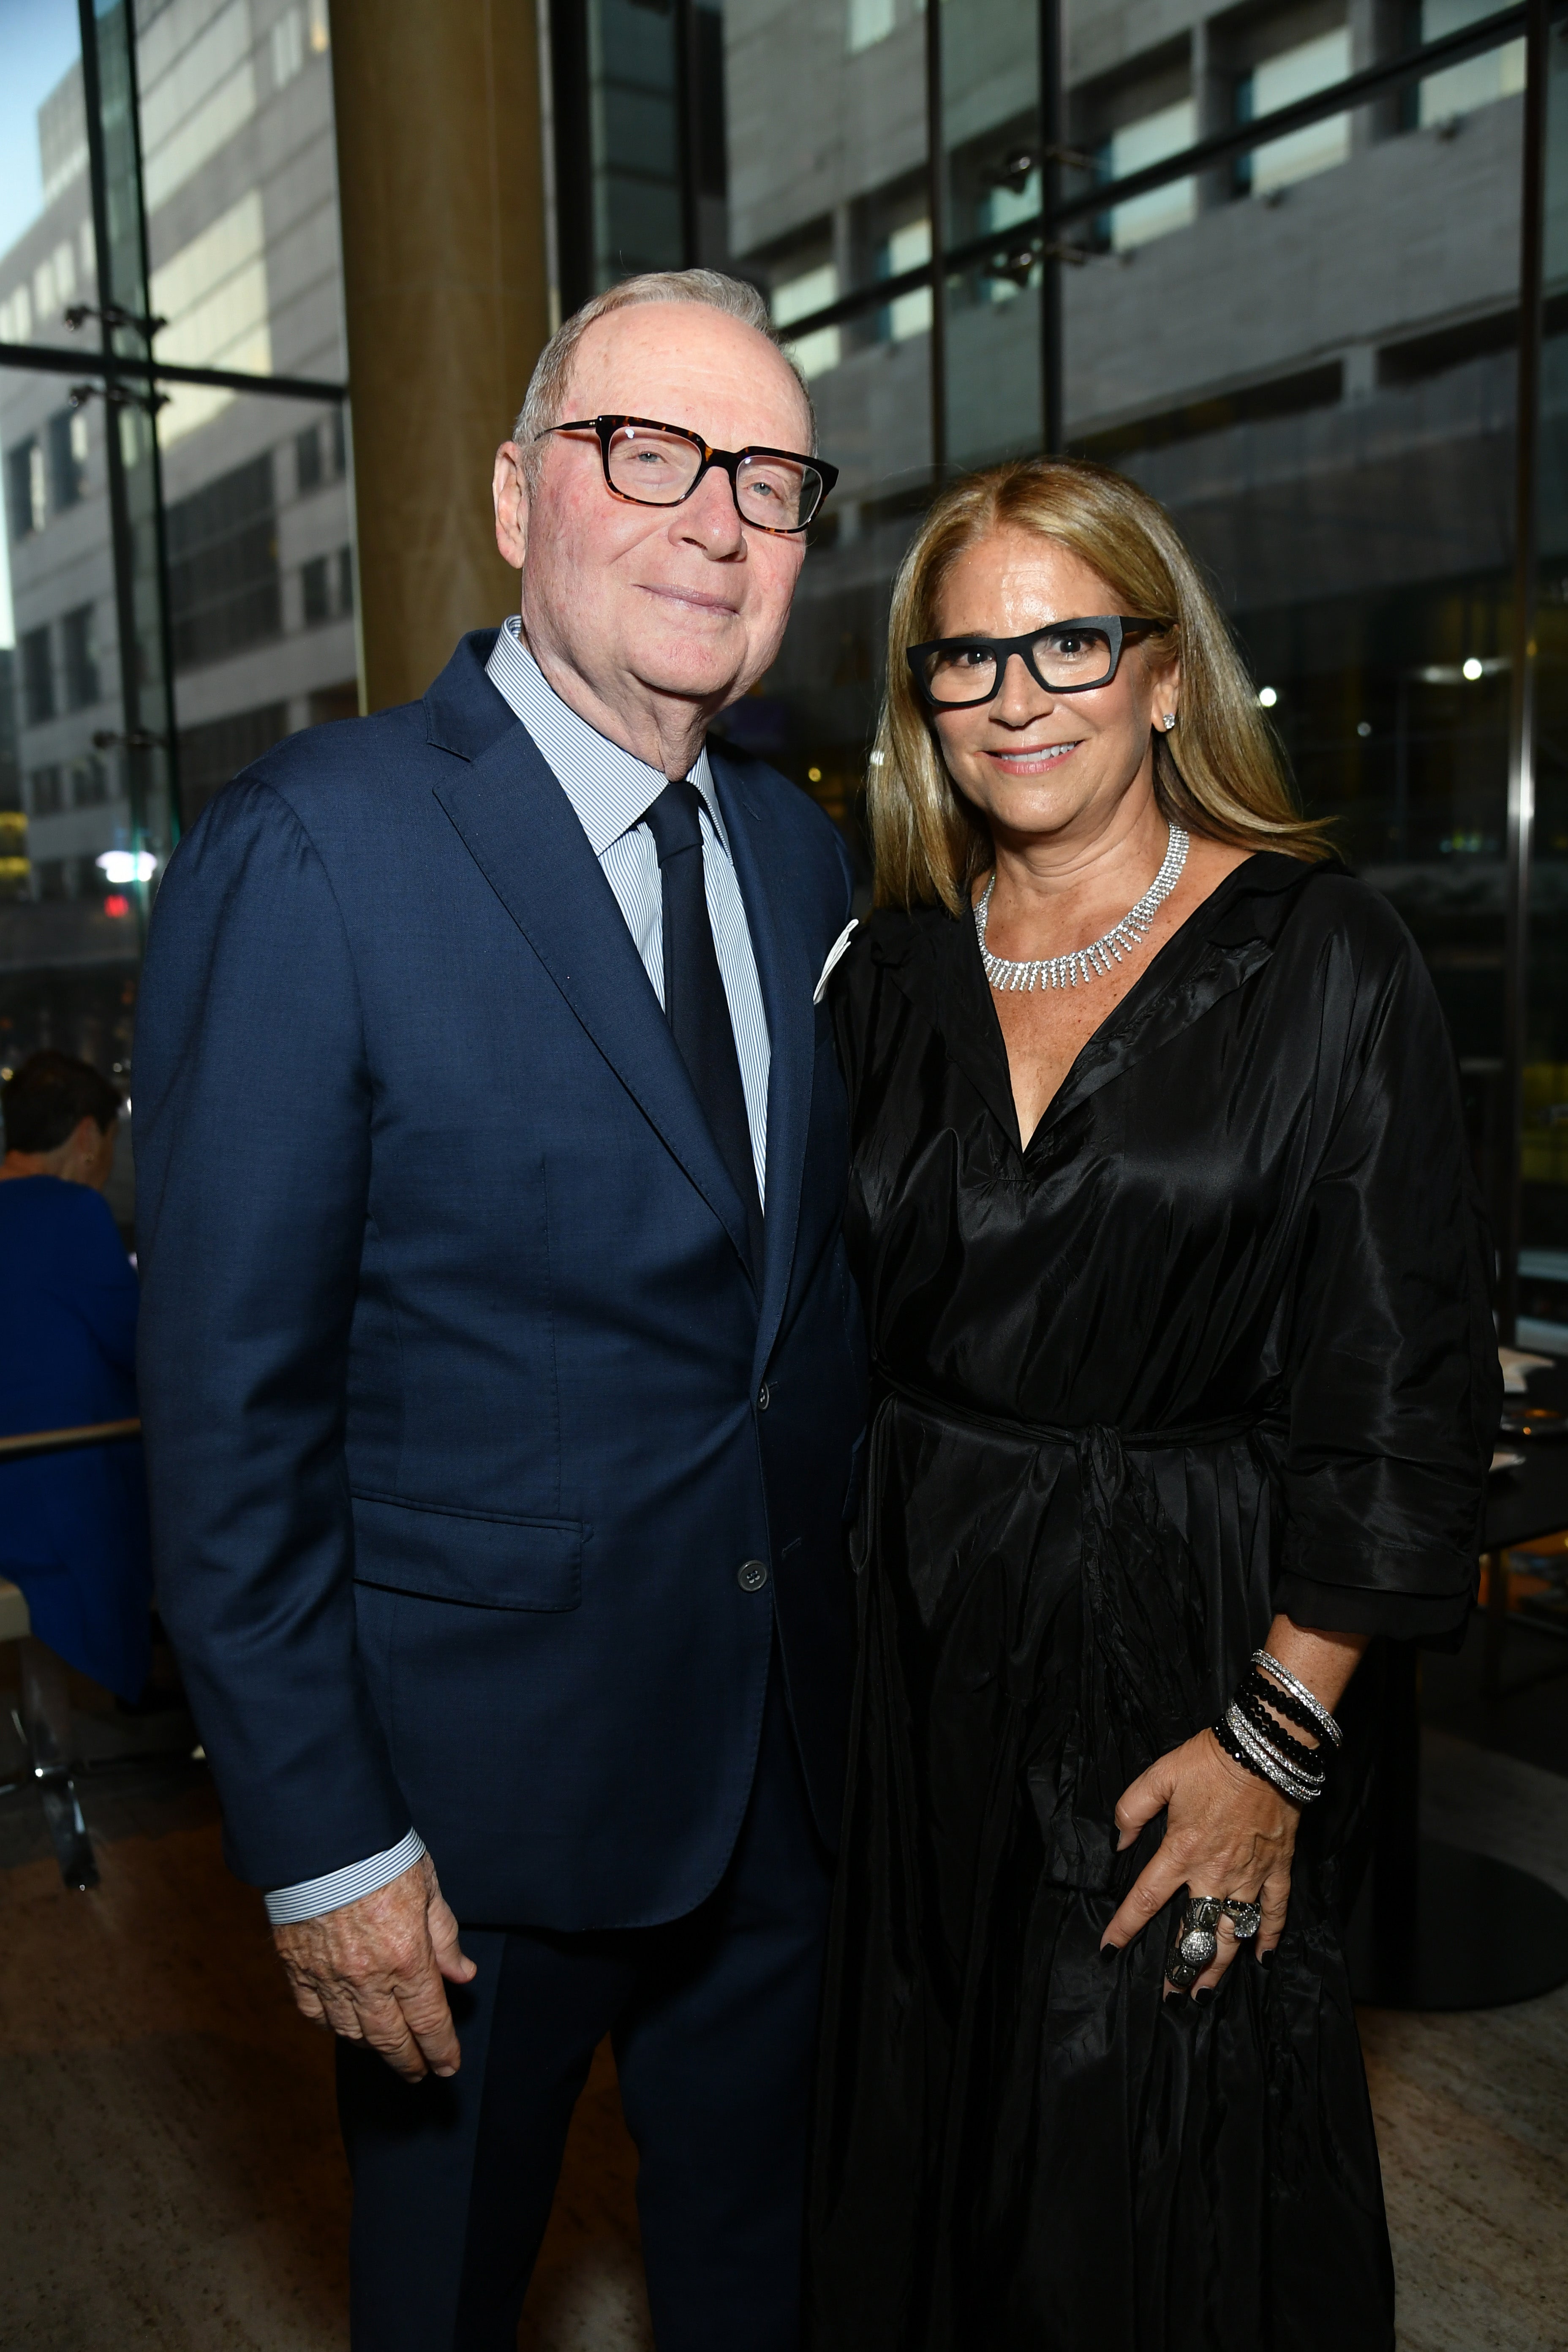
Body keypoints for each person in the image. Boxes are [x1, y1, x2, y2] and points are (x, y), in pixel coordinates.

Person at [133, 270, 866, 2351]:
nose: (715, 521)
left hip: (778, 1783)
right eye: (649, 454)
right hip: (460, 1833)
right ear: (514, 491)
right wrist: (322, 1842)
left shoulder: (803, 857)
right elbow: (225, 1408)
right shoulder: (318, 845)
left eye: (769, 480)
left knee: (765, 2280)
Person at [806, 456, 1499, 2352]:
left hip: (1189, 1654)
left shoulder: (1322, 956)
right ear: (921, 705)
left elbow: (1397, 1399)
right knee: (924, 2137)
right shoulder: (887, 972)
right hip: (914, 1654)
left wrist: (1275, 1749)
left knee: (1157, 2185)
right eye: (967, 658)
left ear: (1164, 672)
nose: (1017, 693)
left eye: (1068, 640)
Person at [0, 1051, 151, 1705]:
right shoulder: (73, 1213)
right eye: (115, 1143)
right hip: (51, 1506)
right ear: (88, 1136)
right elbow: (139, 1347)